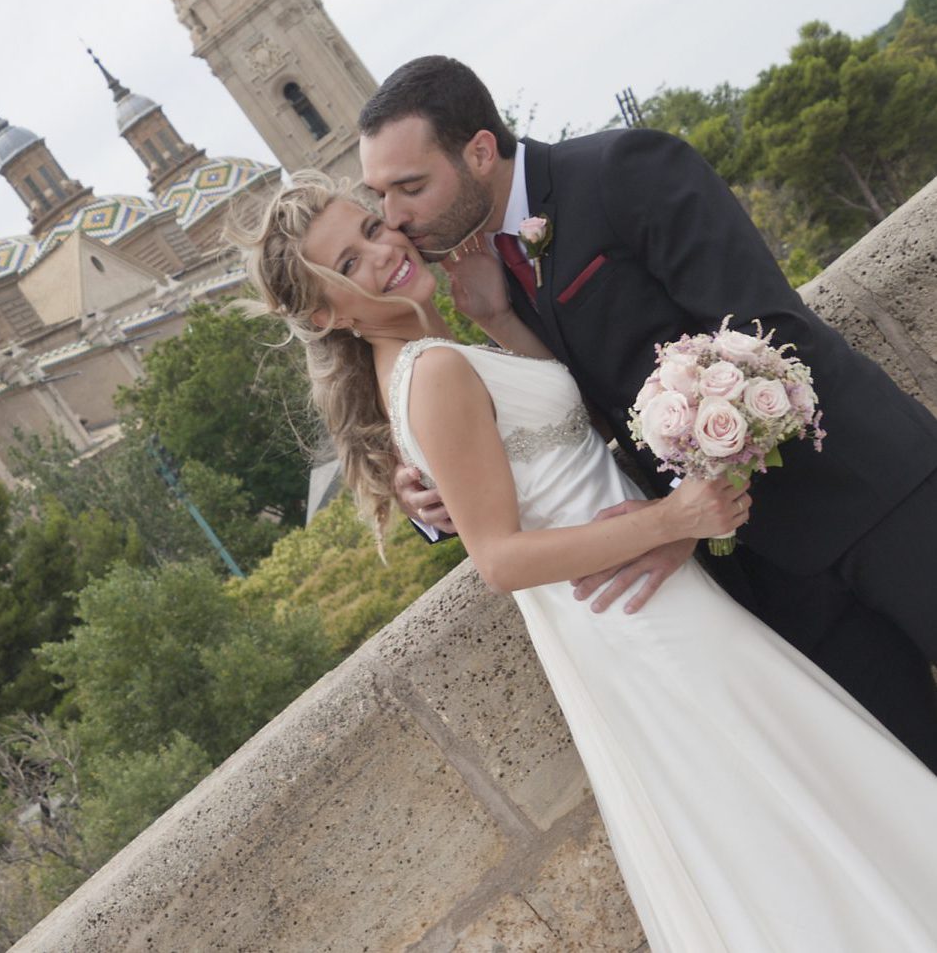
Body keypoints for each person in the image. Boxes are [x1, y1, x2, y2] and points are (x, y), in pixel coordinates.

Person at [235, 171, 937, 952]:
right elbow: (498, 557)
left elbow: (551, 431)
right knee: (794, 792)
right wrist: (672, 516)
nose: (383, 248)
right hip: (641, 610)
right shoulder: (429, 372)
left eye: (372, 226)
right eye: (351, 258)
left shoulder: (430, 355)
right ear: (326, 311)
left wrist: (497, 314)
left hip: (644, 600)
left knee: (795, 796)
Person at [356, 55, 937, 772]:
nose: (395, 219)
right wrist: (430, 497)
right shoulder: (481, 275)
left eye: (410, 187)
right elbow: (556, 423)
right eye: (379, 195)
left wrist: (679, 524)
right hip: (769, 580)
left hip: (869, 495)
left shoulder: (624, 168)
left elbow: (767, 334)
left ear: (479, 151)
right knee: (915, 777)